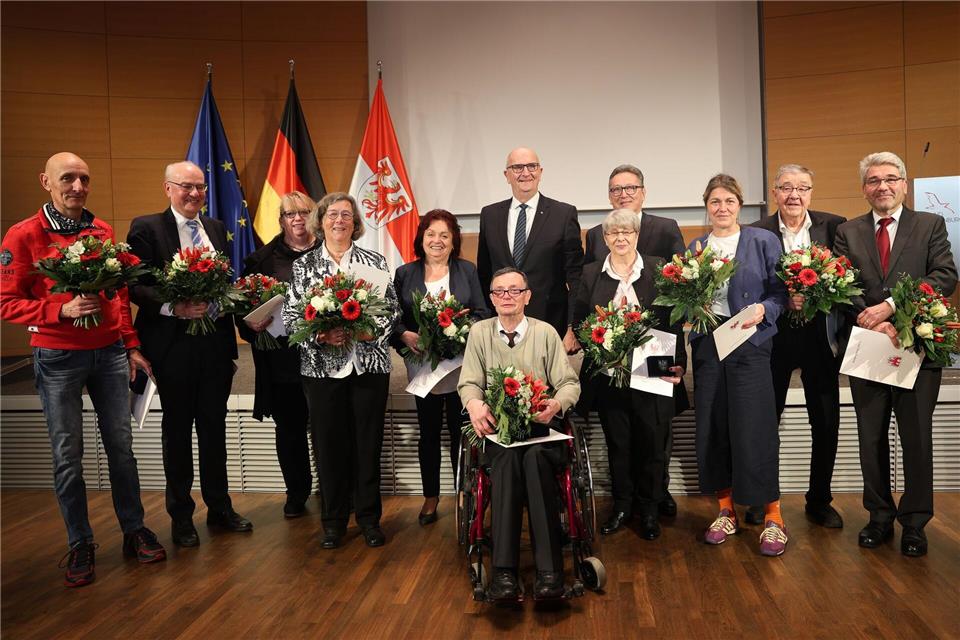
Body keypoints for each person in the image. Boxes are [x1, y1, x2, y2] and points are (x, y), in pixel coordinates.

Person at [0, 152, 165, 587]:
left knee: (122, 448)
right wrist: (60, 309)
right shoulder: (22, 235)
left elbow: (116, 297)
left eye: (84, 179)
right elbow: (6, 301)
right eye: (68, 178)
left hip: (109, 352)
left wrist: (130, 345)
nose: (77, 186)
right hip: (57, 357)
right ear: (46, 181)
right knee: (68, 456)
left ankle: (134, 530)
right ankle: (80, 542)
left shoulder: (101, 231)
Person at [834, 152, 957, 557]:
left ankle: (916, 523)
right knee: (870, 439)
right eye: (873, 180)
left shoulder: (930, 224)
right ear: (864, 188)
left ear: (904, 183)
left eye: (890, 178)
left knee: (916, 439)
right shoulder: (848, 232)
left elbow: (944, 276)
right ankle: (879, 517)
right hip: (869, 347)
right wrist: (875, 321)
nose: (881, 186)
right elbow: (842, 287)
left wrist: (892, 308)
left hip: (916, 349)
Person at [127, 161, 252, 548]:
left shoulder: (215, 229)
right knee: (177, 434)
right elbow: (136, 286)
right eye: (186, 187)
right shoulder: (147, 228)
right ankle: (181, 516)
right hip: (172, 348)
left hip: (214, 348)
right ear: (168, 188)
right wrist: (174, 308)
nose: (195, 194)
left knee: (215, 432)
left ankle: (220, 508)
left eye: (200, 187)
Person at [282, 192, 400, 549]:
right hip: (321, 372)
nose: (339, 221)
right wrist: (320, 334)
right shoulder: (304, 266)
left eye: (346, 215)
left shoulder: (374, 261)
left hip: (368, 367)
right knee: (328, 447)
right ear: (321, 221)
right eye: (332, 214)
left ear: (355, 222)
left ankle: (368, 519)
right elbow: (290, 319)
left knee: (367, 445)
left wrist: (371, 332)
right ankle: (333, 521)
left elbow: (392, 311)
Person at [458, 267, 580, 601]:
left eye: (514, 291)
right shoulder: (480, 333)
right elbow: (469, 382)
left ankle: (550, 572)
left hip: (542, 430)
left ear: (528, 295)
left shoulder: (545, 333)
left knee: (536, 461)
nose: (507, 297)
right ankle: (504, 573)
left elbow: (569, 382)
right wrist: (474, 404)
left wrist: (555, 404)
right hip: (499, 434)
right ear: (492, 297)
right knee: (509, 461)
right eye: (500, 291)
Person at [688, 174, 788, 556]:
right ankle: (725, 511)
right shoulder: (697, 246)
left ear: (740, 205)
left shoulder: (762, 241)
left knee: (755, 428)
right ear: (707, 206)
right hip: (709, 348)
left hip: (750, 345)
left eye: (729, 200)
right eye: (715, 201)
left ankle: (773, 517)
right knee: (713, 428)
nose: (722, 208)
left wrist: (765, 309)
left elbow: (780, 293)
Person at [573, 209, 686, 540]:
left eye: (627, 232)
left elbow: (674, 320)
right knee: (619, 444)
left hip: (654, 368)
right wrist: (598, 344)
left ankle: (649, 511)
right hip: (610, 373)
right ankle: (622, 506)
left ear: (637, 235)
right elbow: (580, 321)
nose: (620, 238)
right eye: (613, 233)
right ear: (605, 239)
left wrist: (677, 364)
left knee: (652, 445)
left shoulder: (657, 269)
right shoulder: (592, 273)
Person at [748, 164, 847, 528]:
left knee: (825, 422)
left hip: (819, 338)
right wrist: (780, 298)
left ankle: (819, 500)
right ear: (774, 193)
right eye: (786, 188)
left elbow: (847, 279)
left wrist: (817, 295)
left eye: (802, 188)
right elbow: (748, 285)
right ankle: (763, 499)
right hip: (772, 339)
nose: (794, 195)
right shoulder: (755, 232)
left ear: (811, 191)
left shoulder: (836, 227)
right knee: (764, 422)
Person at [392, 209, 489, 525]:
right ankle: (431, 497)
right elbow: (395, 320)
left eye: (444, 235)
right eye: (431, 234)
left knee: (461, 434)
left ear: (453, 241)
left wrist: (458, 332)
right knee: (429, 434)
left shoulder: (467, 270)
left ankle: (464, 494)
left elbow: (480, 312)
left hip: (461, 369)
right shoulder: (405, 273)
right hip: (423, 370)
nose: (437, 240)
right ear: (421, 238)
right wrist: (405, 336)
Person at [237, 191, 320, 518]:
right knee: (290, 429)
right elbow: (242, 313)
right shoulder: (261, 260)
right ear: (281, 220)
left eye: (303, 212)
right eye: (289, 214)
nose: (297, 219)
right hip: (284, 361)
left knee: (328, 427)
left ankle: (332, 488)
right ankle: (296, 492)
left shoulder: (330, 252)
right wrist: (252, 326)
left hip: (327, 356)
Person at [476, 147, 584, 354]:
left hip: (550, 326)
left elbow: (576, 277)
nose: (525, 173)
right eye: (517, 167)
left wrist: (572, 328)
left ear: (540, 172)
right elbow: (484, 274)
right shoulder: (489, 215)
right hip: (501, 327)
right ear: (506, 175)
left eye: (532, 166)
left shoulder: (563, 214)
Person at [584, 164, 685, 265]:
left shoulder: (666, 228)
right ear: (609, 197)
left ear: (643, 193)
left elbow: (681, 272)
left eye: (631, 188)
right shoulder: (595, 235)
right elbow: (589, 276)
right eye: (616, 189)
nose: (623, 195)